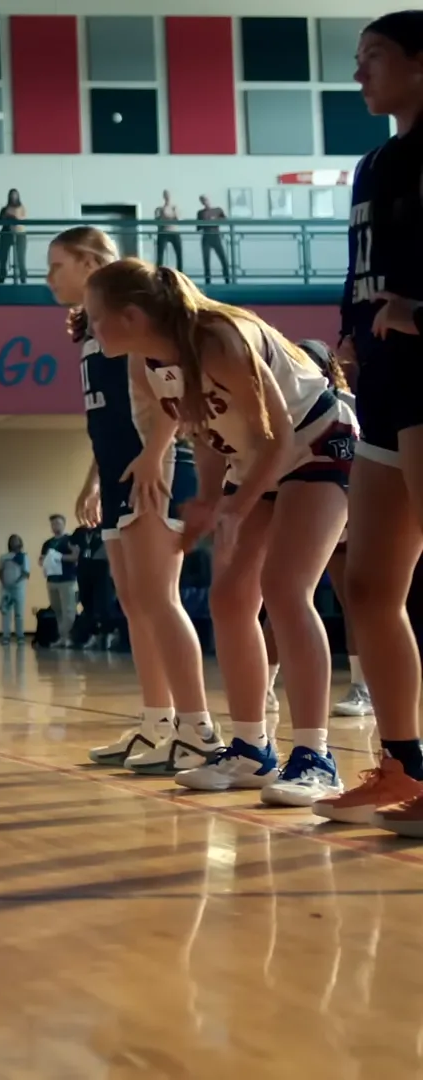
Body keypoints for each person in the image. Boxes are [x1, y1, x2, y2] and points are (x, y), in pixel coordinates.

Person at [87, 259, 352, 806]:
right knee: (230, 599)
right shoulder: (147, 361)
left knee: (285, 588)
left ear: (131, 315)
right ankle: (253, 748)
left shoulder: (220, 339)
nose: (90, 329)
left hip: (316, 442)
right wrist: (209, 500)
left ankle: (316, 757)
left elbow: (277, 437)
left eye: (96, 318)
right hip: (255, 461)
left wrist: (235, 509)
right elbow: (205, 434)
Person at [46, 226, 210, 772]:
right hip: (119, 469)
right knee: (134, 602)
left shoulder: (134, 315)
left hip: (156, 467)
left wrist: (157, 451)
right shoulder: (91, 330)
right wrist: (95, 478)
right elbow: (114, 415)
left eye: (56, 266)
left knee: (160, 599)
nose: (49, 278)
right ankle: (157, 722)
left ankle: (199, 730)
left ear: (91, 262)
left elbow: (173, 389)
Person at [318, 11, 423, 833]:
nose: (359, 75)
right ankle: (403, 764)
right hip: (384, 389)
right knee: (367, 584)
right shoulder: (372, 165)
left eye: (375, 58)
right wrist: (349, 332)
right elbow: (364, 270)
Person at [298, 338, 373, 718]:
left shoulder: (348, 406)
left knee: (359, 601)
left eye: (311, 363)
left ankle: (365, 687)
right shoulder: (290, 406)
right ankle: (266, 687)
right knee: (294, 595)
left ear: (327, 369)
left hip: (352, 511)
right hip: (312, 513)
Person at [39, 514, 79, 646]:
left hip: (66, 579)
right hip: (52, 580)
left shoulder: (70, 540)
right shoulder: (48, 543)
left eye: (58, 523)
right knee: (57, 609)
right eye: (53, 523)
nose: (55, 525)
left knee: (68, 610)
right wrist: (44, 561)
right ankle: (63, 637)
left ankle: (67, 637)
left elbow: (75, 557)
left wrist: (59, 557)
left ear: (64, 524)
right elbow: (42, 559)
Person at [0, 534, 30, 644]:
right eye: (12, 540)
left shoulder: (23, 557)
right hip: (6, 588)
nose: (14, 542)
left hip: (19, 589)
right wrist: (4, 582)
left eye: (16, 540)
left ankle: (20, 636)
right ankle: (6, 636)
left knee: (19, 613)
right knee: (6, 613)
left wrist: (16, 583)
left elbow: (26, 573)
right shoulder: (4, 557)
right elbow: (0, 571)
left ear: (20, 543)